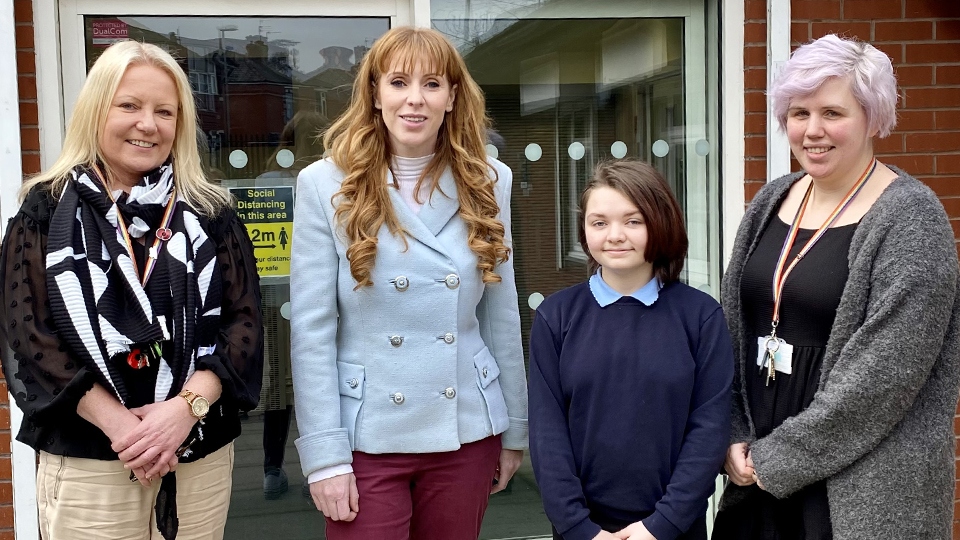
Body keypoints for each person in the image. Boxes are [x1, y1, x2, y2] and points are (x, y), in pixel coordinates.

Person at [0, 40, 264, 539]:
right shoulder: (46, 210)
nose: (148, 124)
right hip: (92, 460)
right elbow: (28, 336)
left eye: (165, 111)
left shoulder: (210, 212)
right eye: (129, 106)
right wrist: (127, 430)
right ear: (97, 109)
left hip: (197, 454)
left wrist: (185, 410)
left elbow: (245, 324)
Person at [712, 34, 960, 540]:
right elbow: (731, 330)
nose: (812, 130)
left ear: (873, 116)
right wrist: (733, 434)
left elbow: (884, 380)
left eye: (832, 112)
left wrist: (774, 459)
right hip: (754, 475)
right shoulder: (771, 199)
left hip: (858, 490)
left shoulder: (911, 219)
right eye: (799, 113)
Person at [289, 26, 528, 539]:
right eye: (398, 82)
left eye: (432, 84)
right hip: (367, 434)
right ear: (375, 94)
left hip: (464, 428)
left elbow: (501, 314)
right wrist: (323, 456)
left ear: (452, 96)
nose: (414, 99)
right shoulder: (323, 184)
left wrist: (514, 432)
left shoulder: (490, 179)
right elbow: (312, 332)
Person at [528, 160, 733, 540]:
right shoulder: (556, 317)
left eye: (633, 221)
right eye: (599, 222)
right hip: (583, 531)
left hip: (673, 529)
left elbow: (709, 429)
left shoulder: (701, 317)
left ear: (661, 222)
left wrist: (663, 525)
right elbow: (546, 433)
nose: (615, 235)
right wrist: (578, 527)